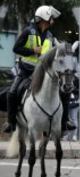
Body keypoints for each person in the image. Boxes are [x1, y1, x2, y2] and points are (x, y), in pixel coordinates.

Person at [2, 5, 75, 133]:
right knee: (12, 92)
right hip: (26, 70)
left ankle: (65, 121)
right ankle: (11, 122)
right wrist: (32, 51)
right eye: (50, 18)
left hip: (43, 72)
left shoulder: (50, 36)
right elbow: (16, 48)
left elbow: (57, 52)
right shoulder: (27, 31)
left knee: (65, 92)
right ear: (44, 18)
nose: (52, 21)